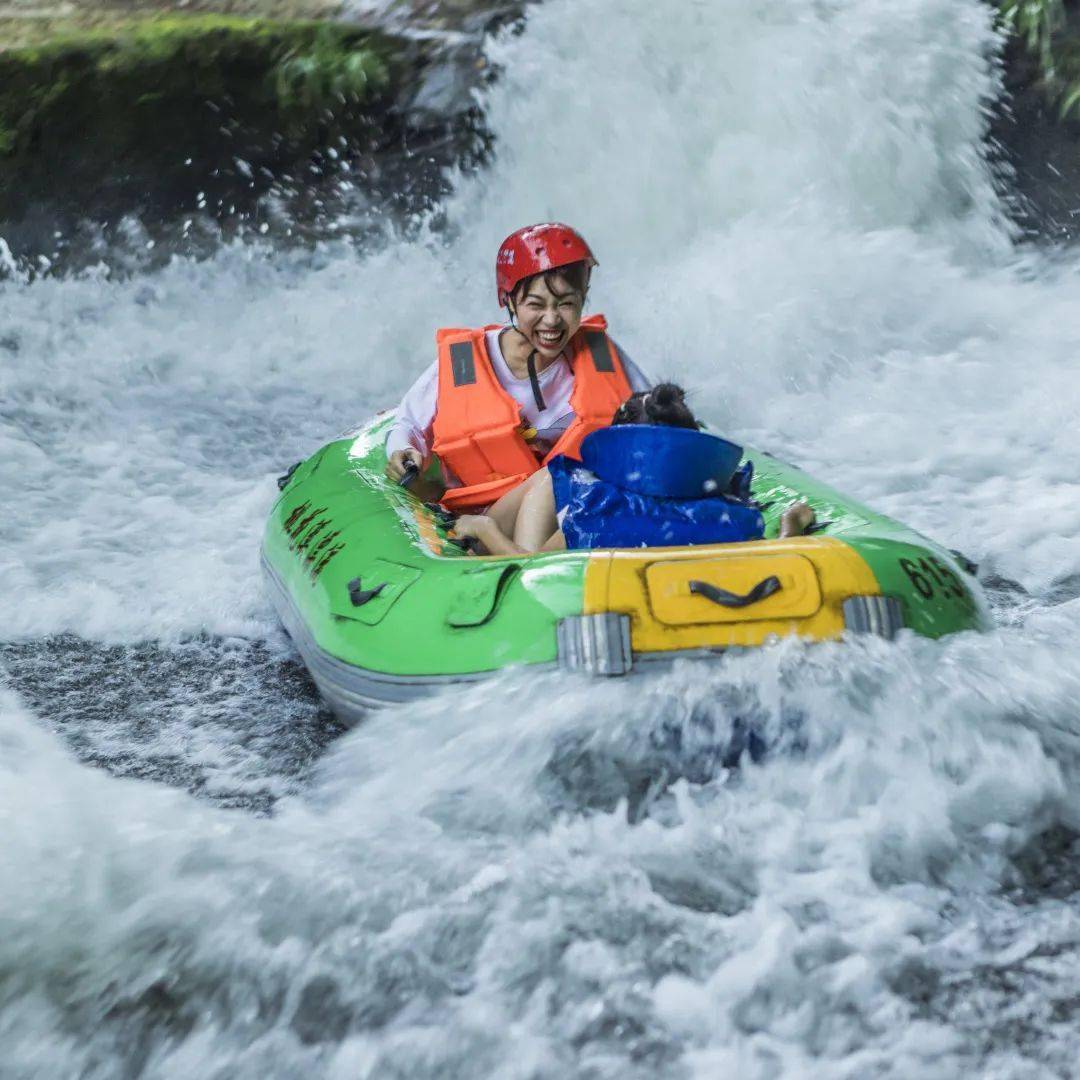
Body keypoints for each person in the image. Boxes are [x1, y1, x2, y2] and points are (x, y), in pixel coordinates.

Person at [384, 223, 651, 511]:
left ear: (583, 298)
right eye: (535, 305)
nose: (551, 320)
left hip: (573, 512)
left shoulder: (600, 356)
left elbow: (657, 418)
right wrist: (404, 451)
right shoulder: (463, 364)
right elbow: (409, 424)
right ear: (509, 300)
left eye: (566, 304)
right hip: (479, 518)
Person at [452, 384, 816, 555]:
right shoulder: (727, 514)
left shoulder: (596, 513)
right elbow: (778, 558)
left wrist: (483, 528)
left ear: (619, 456)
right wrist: (792, 524)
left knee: (553, 478)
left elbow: (529, 571)